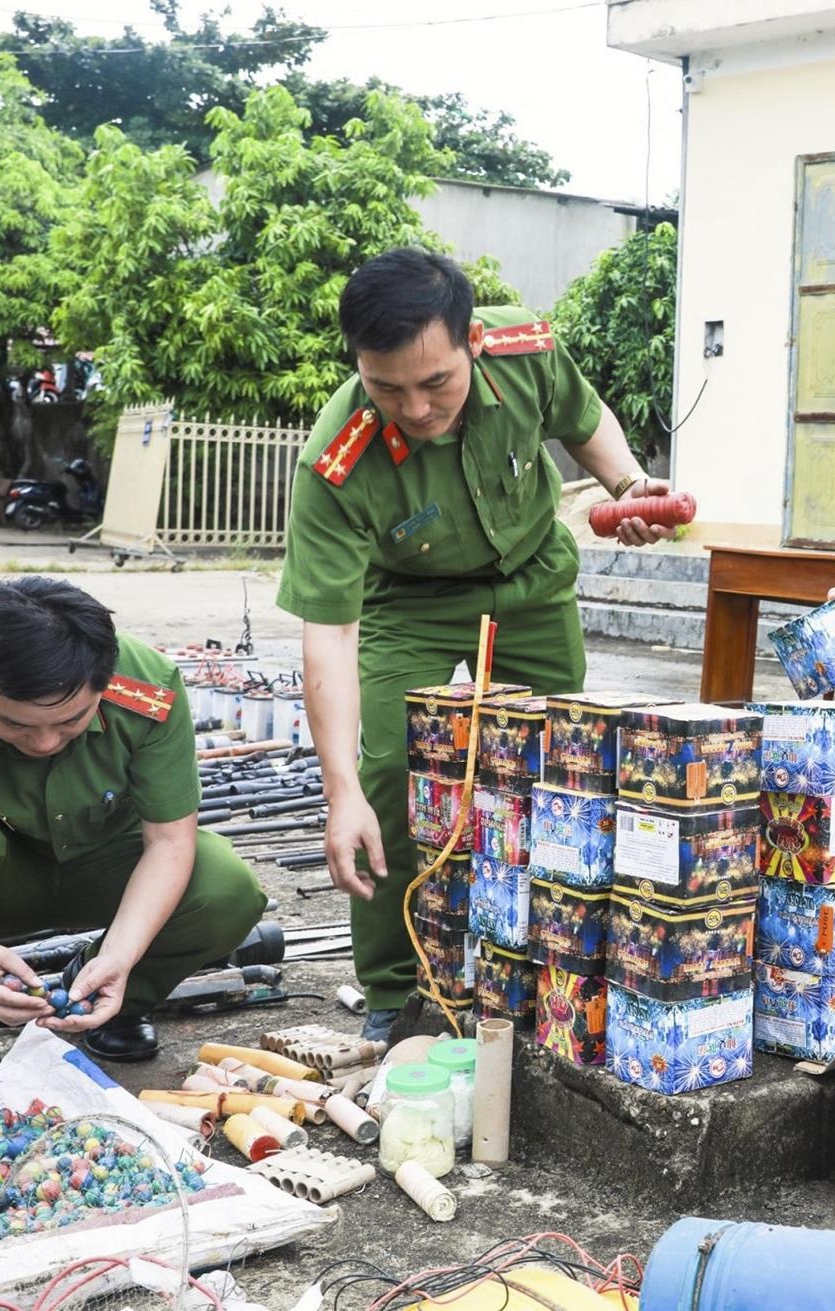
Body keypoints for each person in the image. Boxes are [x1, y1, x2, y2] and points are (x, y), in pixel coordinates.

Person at [276, 247, 671, 1042]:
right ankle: (391, 985)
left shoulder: (526, 350)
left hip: (530, 584)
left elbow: (588, 425)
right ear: (359, 367)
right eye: (387, 388)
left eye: (436, 384)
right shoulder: (336, 460)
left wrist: (630, 486)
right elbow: (331, 637)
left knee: (567, 764)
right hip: (406, 605)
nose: (416, 409)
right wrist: (339, 789)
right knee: (390, 771)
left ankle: (549, 960)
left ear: (472, 344)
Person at [0, 578, 267, 1070]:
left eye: (70, 720)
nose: (44, 742)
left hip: (108, 864)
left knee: (226, 887)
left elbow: (169, 843)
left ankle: (106, 998)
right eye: (16, 724)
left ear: (102, 687)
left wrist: (121, 955)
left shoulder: (150, 689)